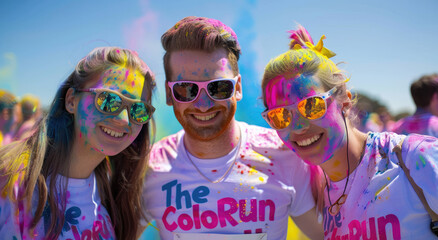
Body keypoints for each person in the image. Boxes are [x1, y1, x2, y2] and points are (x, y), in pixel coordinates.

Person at [141, 16, 322, 240]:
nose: (203, 104)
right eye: (186, 89)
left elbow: (326, 235)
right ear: (170, 95)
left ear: (237, 88)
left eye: (218, 87)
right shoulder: (150, 167)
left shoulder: (283, 156)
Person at [260, 26, 438, 239]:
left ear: (343, 101)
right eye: (280, 116)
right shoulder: (320, 192)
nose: (298, 127)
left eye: (311, 106)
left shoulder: (415, 158)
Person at [0, 47, 156, 239]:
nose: (124, 120)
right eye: (109, 100)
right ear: (71, 100)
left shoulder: (116, 196)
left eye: (138, 110)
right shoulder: (9, 180)